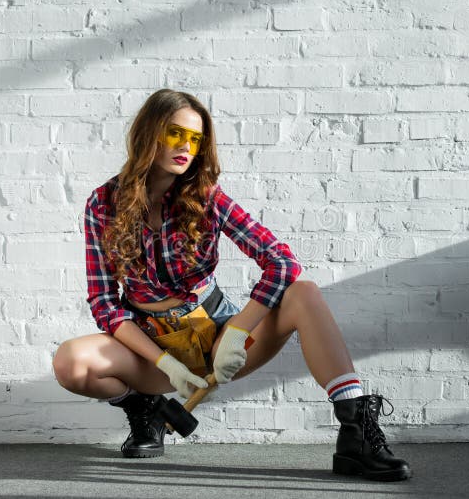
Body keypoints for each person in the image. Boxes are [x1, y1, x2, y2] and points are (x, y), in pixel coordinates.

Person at [52, 88, 412, 482]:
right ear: (149, 134)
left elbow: (282, 261)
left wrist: (237, 331)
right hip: (150, 346)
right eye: (176, 134)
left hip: (219, 336)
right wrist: (164, 363)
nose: (186, 147)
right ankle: (147, 412)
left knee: (303, 292)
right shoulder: (102, 204)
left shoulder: (206, 197)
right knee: (71, 363)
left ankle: (356, 433)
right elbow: (105, 303)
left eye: (195, 138)